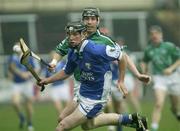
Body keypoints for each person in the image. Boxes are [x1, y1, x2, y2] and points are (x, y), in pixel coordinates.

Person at [39, 21, 149, 131]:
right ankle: (132, 120)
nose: (71, 38)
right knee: (86, 125)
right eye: (69, 34)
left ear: (84, 35)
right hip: (83, 92)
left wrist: (121, 80)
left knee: (62, 126)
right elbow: (66, 72)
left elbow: (122, 56)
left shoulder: (96, 49)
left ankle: (132, 120)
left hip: (95, 97)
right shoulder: (73, 51)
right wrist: (47, 80)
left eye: (75, 34)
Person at [141, 25, 180, 131]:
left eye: (156, 33)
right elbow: (144, 60)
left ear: (161, 34)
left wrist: (171, 68)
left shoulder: (169, 46)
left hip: (173, 77)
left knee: (175, 105)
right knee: (159, 103)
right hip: (159, 78)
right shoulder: (149, 49)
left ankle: (176, 111)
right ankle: (154, 127)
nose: (154, 36)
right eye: (152, 34)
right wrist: (144, 71)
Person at [7, 43, 40, 131]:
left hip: (27, 84)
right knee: (15, 102)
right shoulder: (12, 57)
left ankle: (29, 123)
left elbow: (37, 68)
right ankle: (21, 117)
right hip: (16, 84)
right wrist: (19, 73)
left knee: (28, 104)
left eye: (19, 46)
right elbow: (11, 68)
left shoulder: (28, 56)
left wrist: (28, 74)